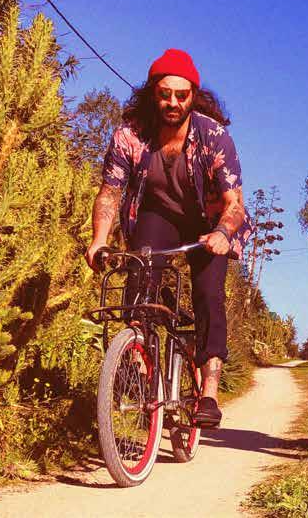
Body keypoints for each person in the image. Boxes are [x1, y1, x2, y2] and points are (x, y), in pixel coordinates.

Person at [85, 48, 252, 428]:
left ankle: (209, 393)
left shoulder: (214, 137)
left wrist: (223, 233)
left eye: (181, 95)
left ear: (193, 95)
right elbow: (109, 193)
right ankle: (137, 365)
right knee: (139, 278)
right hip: (157, 215)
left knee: (209, 294)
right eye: (165, 94)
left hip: (209, 221)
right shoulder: (130, 136)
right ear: (152, 94)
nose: (173, 103)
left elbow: (234, 203)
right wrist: (99, 239)